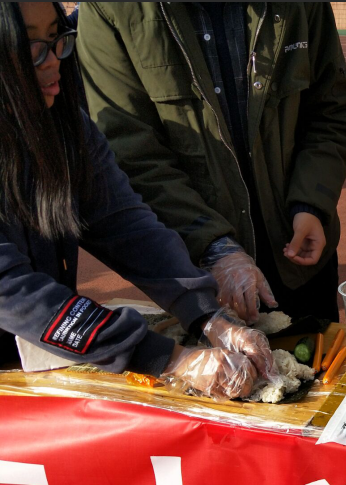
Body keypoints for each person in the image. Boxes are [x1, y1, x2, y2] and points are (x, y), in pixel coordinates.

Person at [0, 1, 274, 401]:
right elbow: (12, 291)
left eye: (56, 38)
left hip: (35, 357)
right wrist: (170, 358)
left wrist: (205, 314)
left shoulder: (65, 127)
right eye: (31, 46)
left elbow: (125, 225)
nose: (53, 59)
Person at [76, 3, 346, 324]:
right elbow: (132, 153)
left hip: (300, 255)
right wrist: (213, 247)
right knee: (220, 357)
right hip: (201, 273)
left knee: (320, 353)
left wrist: (311, 203)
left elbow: (331, 109)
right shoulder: (109, 9)